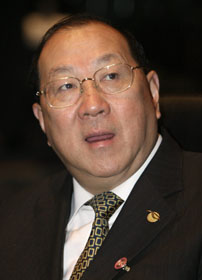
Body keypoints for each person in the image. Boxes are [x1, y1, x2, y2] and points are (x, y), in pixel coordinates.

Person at [0, 13, 202, 280]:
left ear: (153, 94)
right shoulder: (11, 223)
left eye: (111, 76)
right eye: (66, 86)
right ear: (43, 122)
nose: (93, 106)